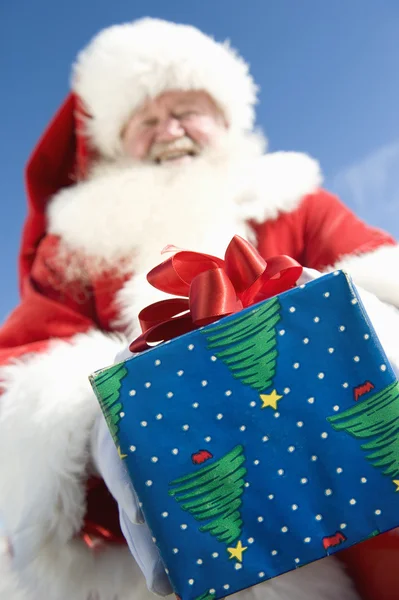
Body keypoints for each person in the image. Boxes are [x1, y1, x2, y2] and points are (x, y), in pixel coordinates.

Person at [0, 17, 399, 600]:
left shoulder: (296, 204)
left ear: (226, 119)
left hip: (352, 485)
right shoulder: (78, 252)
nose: (170, 130)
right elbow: (24, 361)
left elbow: (384, 274)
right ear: (115, 142)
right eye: (146, 121)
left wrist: (359, 325)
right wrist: (95, 426)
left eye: (188, 109)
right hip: (176, 526)